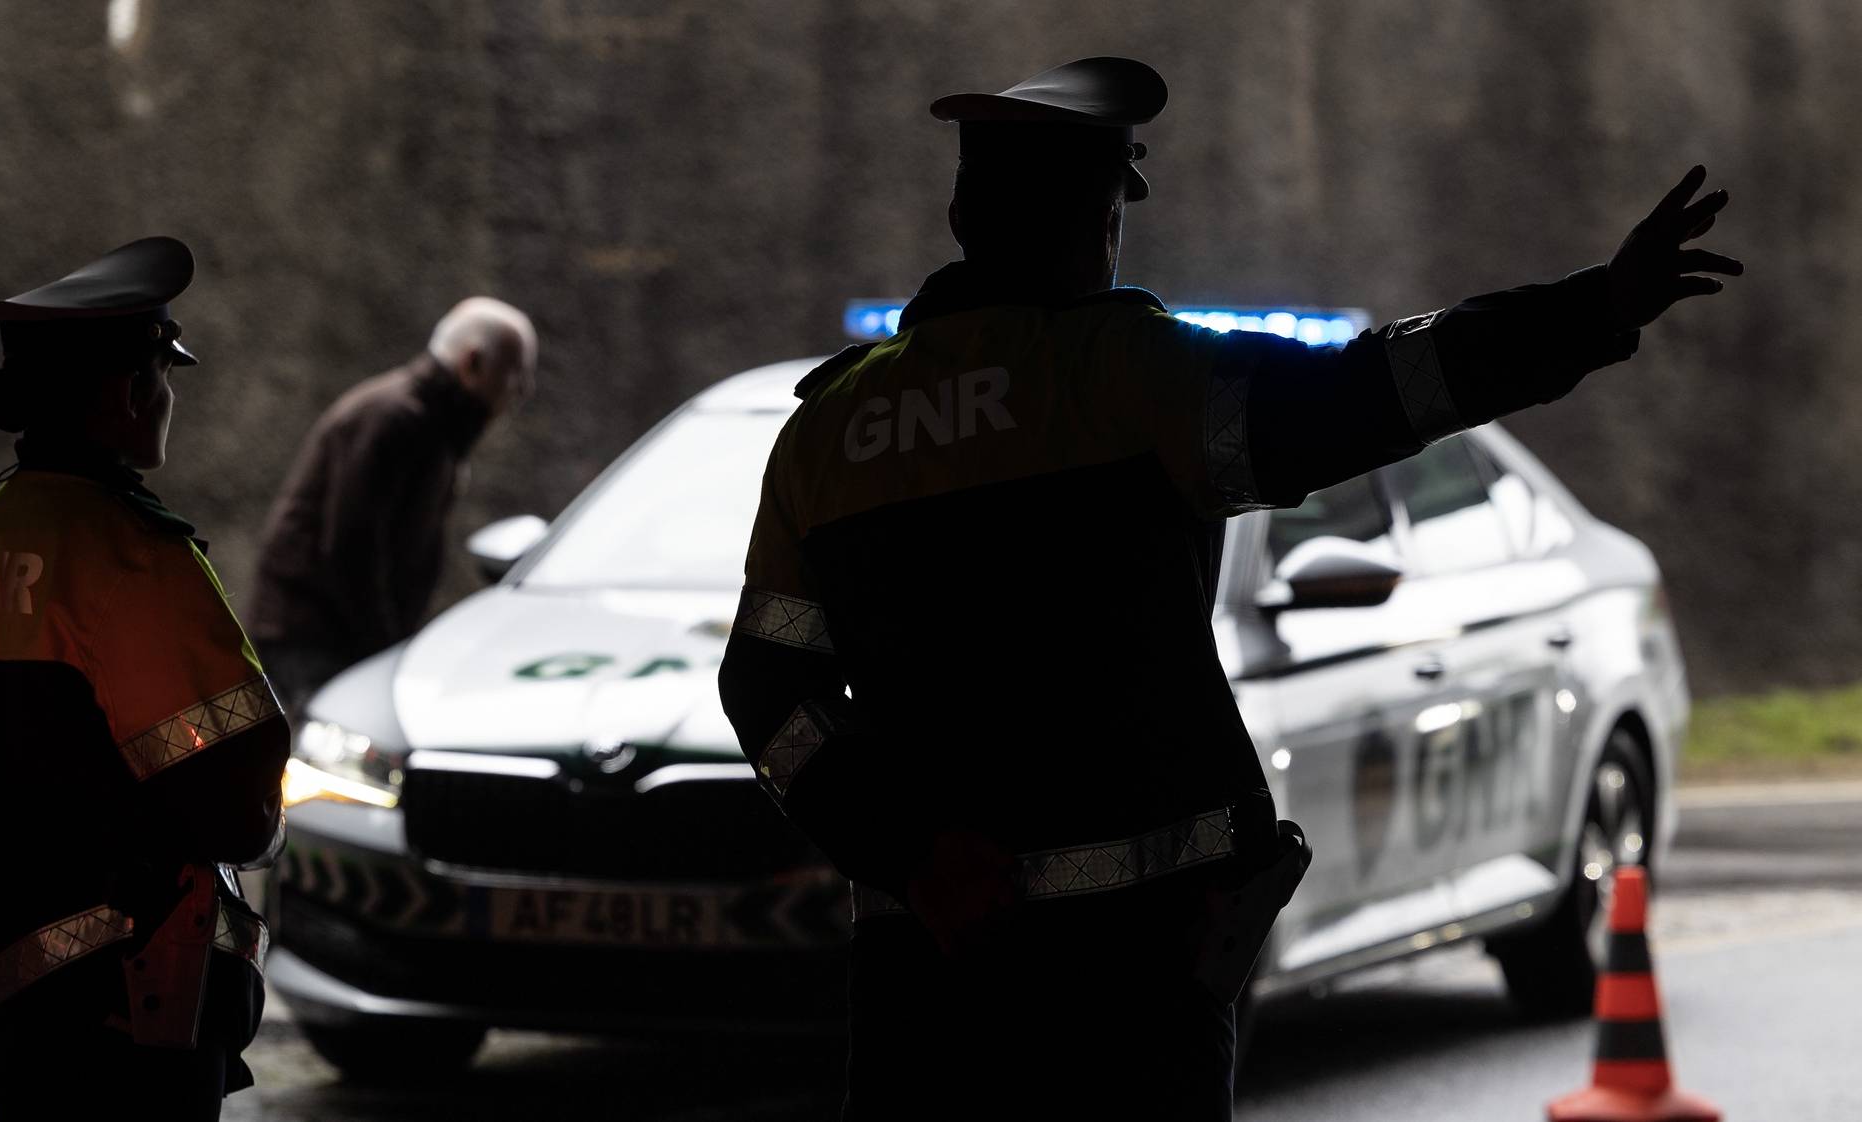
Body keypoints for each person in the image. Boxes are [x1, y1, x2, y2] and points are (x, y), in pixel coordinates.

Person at [716, 57, 1740, 1120]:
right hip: (1135, 983)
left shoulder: (827, 432)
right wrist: (1595, 307)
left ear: (963, 211)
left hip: (926, 979)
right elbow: (1380, 391)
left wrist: (909, 855)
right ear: (1096, 219)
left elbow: (764, 695)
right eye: (1110, 205)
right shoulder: (1131, 376)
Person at [0, 236, 288, 1120]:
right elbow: (238, 807)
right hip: (130, 1003)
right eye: (162, 376)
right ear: (130, 392)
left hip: (13, 996)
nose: (166, 398)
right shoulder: (132, 555)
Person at [249, 296, 536, 712]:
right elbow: (352, 551)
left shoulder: (430, 429)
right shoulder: (395, 420)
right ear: (472, 363)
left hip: (330, 641)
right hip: (313, 641)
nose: (521, 394)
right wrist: (387, 652)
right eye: (516, 377)